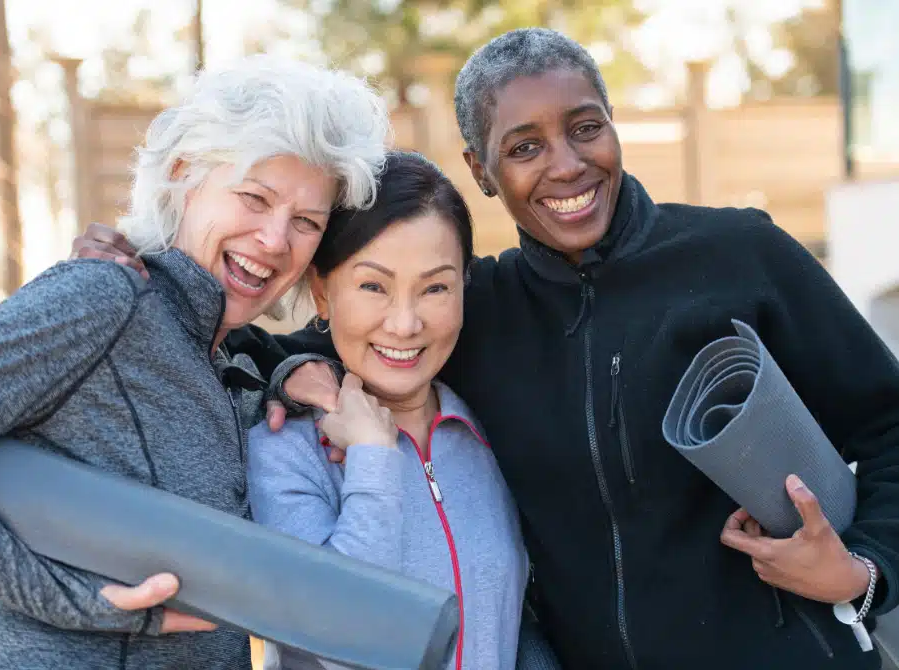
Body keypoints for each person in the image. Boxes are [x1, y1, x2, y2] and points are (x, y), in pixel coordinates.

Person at [72, 29, 899, 670]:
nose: (568, 166)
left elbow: (889, 425)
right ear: (482, 169)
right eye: (525, 146)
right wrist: (145, 279)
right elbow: (256, 340)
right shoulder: (471, 307)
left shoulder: (740, 258)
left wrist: (862, 572)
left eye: (586, 129)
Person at [0, 55, 388, 670]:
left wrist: (284, 380)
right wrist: (74, 600)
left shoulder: (226, 351)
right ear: (184, 175)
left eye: (305, 222)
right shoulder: (103, 298)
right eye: (254, 198)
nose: (274, 239)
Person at [247, 151, 558, 670]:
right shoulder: (284, 448)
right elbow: (338, 634)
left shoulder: (487, 433)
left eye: (435, 287)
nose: (405, 323)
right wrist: (372, 455)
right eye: (373, 286)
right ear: (323, 293)